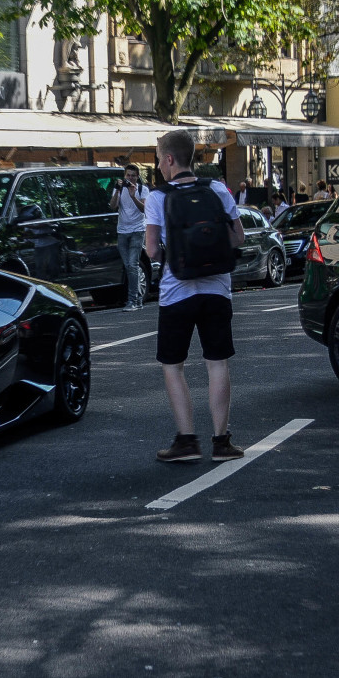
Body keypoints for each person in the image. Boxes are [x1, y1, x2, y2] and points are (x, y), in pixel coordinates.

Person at [144, 129, 246, 463]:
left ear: (170, 158)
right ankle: (222, 442)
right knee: (217, 363)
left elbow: (151, 250)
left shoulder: (158, 197)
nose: (159, 165)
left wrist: (175, 253)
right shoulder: (217, 189)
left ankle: (187, 441)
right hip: (218, 290)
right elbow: (238, 238)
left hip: (177, 292)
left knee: (173, 366)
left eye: (160, 158)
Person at [111, 163, 150, 311]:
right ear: (124, 176)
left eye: (133, 176)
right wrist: (118, 191)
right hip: (122, 231)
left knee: (133, 265)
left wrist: (134, 196)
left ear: (137, 177)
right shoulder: (119, 189)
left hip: (137, 230)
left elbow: (144, 209)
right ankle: (138, 299)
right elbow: (113, 206)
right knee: (128, 266)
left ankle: (132, 301)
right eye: (128, 175)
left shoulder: (142, 189)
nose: (130, 178)